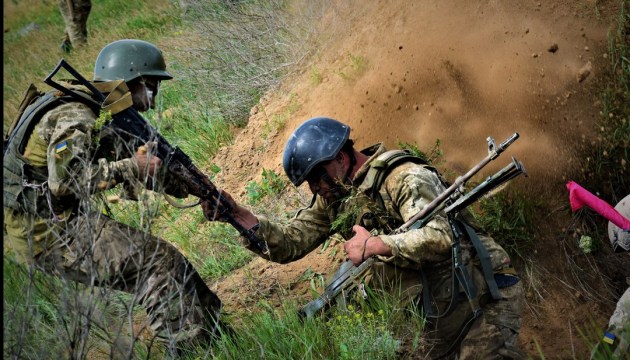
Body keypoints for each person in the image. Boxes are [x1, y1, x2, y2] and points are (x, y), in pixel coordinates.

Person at [201, 116, 525, 358]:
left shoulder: (403, 177)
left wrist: (376, 245)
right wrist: (239, 216)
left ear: (341, 159)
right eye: (309, 183)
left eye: (317, 177)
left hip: (484, 293)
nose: (315, 189)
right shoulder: (337, 196)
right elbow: (289, 242)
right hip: (441, 306)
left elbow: (441, 237)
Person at [3, 39, 221, 355]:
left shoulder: (96, 103)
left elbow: (128, 153)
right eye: (151, 86)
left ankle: (213, 335)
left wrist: (196, 189)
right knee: (157, 264)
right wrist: (131, 166)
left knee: (165, 260)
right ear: (129, 80)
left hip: (52, 220)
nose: (153, 97)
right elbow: (63, 182)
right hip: (45, 231)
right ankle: (193, 349)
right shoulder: (76, 115)